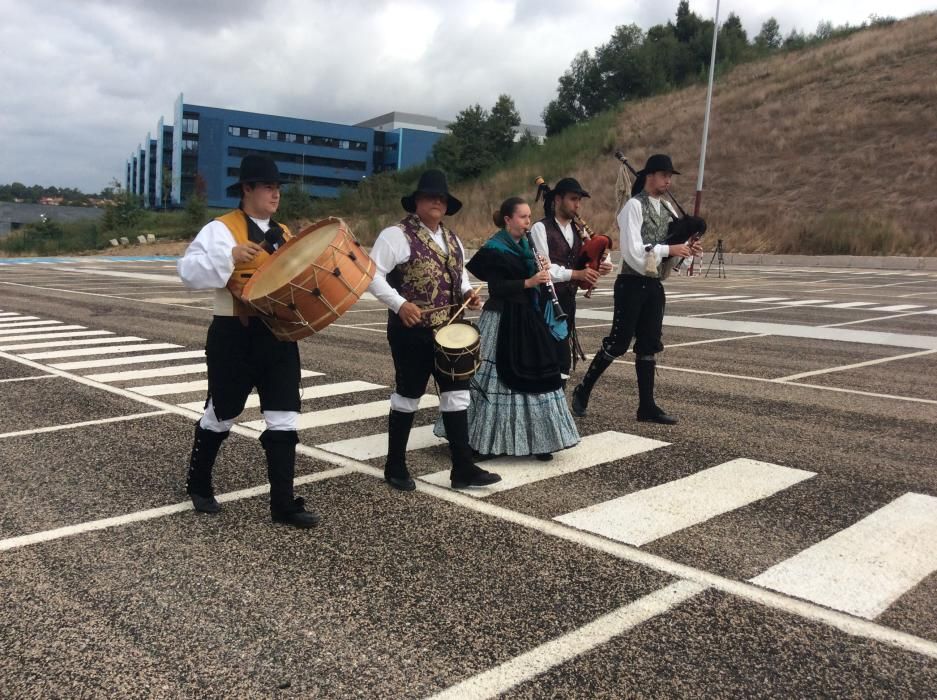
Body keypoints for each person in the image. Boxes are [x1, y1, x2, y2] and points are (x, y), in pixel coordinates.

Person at [177, 154, 319, 528]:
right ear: (247, 189)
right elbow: (187, 272)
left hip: (277, 335)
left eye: (277, 188)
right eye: (268, 187)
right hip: (233, 335)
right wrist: (229, 256)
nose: (275, 194)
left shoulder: (285, 234)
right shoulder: (221, 230)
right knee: (222, 412)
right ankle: (199, 482)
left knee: (284, 415)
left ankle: (283, 504)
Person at [368, 169, 501, 490]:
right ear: (416, 201)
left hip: (451, 330)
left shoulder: (453, 238)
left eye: (441, 198)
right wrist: (400, 304)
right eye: (430, 197)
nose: (436, 202)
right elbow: (371, 275)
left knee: (457, 396)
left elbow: (460, 277)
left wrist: (468, 293)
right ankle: (395, 465)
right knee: (408, 395)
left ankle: (463, 468)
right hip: (410, 331)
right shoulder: (395, 235)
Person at [437, 197, 579, 459]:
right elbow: (497, 288)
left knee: (539, 371)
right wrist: (530, 280)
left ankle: (540, 439)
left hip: (528, 315)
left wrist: (542, 270)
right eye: (523, 217)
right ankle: (482, 439)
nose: (528, 222)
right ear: (508, 220)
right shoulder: (495, 248)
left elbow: (536, 278)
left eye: (529, 216)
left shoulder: (527, 245)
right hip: (502, 317)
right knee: (495, 378)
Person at [571, 154, 702, 424]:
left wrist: (686, 251)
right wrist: (669, 249)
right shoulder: (633, 206)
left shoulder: (668, 209)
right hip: (631, 283)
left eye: (669, 176)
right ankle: (583, 390)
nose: (668, 180)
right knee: (618, 343)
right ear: (649, 176)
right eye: (664, 175)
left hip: (653, 284)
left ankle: (647, 406)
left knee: (649, 345)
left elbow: (671, 248)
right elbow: (631, 252)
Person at [529, 177, 613, 382]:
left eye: (579, 200)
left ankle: (556, 409)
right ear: (558, 199)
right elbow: (544, 267)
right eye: (573, 199)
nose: (577, 205)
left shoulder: (579, 230)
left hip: (567, 301)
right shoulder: (541, 228)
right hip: (545, 301)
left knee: (561, 361)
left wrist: (603, 266)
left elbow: (599, 256)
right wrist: (577, 274)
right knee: (547, 357)